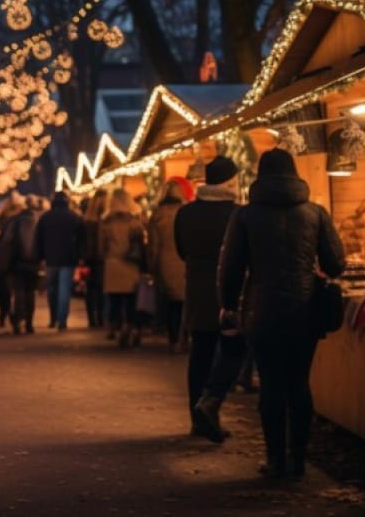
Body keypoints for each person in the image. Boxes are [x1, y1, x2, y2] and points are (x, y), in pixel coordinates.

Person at [216, 149, 345, 479]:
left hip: (262, 310)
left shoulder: (244, 216)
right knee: (299, 383)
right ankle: (299, 461)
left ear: (260, 175)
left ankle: (276, 461)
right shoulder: (316, 213)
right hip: (305, 310)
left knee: (271, 384)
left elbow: (230, 268)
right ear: (294, 174)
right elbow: (335, 264)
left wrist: (228, 305)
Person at [175, 157, 243, 440]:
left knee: (200, 353)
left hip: (198, 288)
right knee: (233, 348)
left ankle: (197, 417)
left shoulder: (186, 213)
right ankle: (211, 405)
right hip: (231, 287)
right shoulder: (237, 213)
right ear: (229, 181)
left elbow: (181, 250)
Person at [99, 188, 145, 348]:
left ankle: (114, 327)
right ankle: (130, 326)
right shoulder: (135, 222)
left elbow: (101, 247)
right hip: (130, 265)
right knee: (131, 300)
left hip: (113, 265)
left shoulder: (106, 223)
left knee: (114, 300)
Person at [148, 179, 189, 351]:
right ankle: (184, 337)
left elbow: (153, 245)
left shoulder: (158, 215)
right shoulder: (186, 212)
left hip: (165, 261)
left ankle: (173, 339)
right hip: (185, 261)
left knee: (171, 302)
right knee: (185, 302)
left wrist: (152, 266)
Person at [36, 192, 86, 331]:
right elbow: (82, 239)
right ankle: (62, 319)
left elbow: (39, 239)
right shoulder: (74, 217)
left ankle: (53, 318)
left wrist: (40, 257)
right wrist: (79, 256)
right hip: (69, 258)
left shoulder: (45, 217)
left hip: (51, 258)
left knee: (52, 289)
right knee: (64, 290)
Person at [0, 194, 41, 334]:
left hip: (18, 262)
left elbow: (7, 242)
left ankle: (18, 322)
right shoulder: (37, 221)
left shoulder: (15, 221)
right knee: (30, 292)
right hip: (34, 262)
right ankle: (29, 323)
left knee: (19, 291)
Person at [84, 190, 109, 329]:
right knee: (102, 290)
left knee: (91, 290)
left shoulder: (87, 221)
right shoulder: (107, 221)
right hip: (103, 260)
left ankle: (92, 318)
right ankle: (101, 317)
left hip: (90, 260)